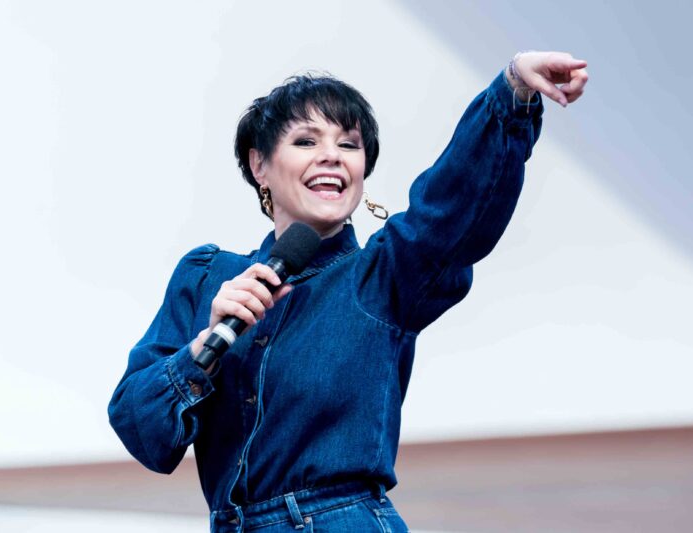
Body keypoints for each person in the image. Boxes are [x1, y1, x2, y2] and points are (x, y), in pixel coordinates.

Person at [108, 51, 588, 532]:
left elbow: (452, 203)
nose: (331, 155)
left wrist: (512, 91)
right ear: (260, 164)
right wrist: (200, 352)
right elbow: (142, 432)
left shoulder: (383, 275)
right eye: (305, 140)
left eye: (349, 144)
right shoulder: (206, 278)